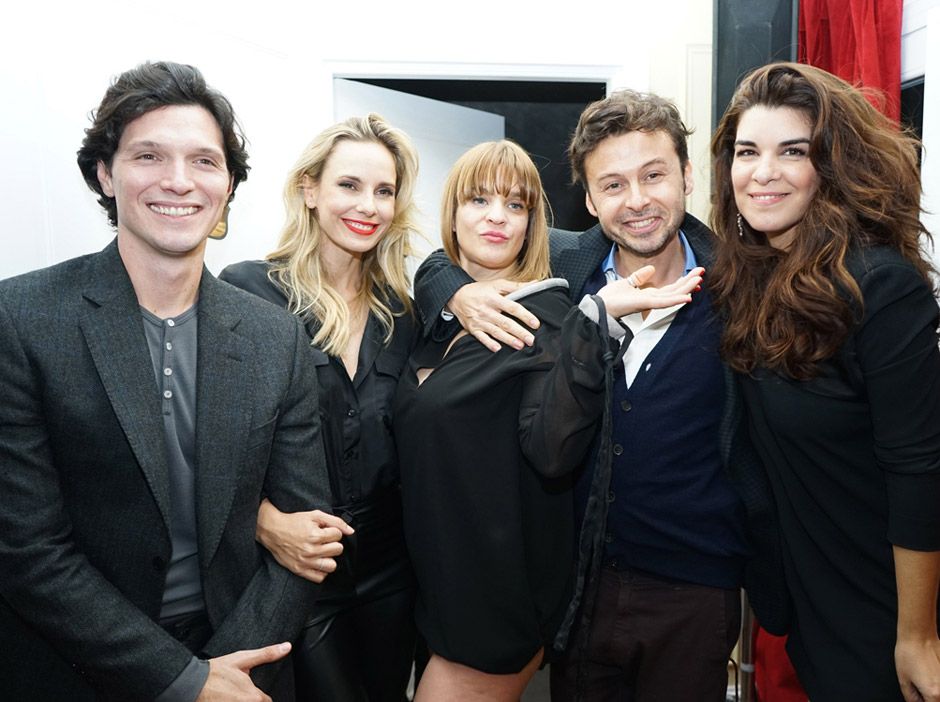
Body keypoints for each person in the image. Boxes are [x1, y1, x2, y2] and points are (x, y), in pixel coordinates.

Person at [413, 91, 788, 702]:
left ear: (687, 176)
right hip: (576, 588)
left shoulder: (746, 283)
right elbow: (443, 256)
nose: (636, 200)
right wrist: (454, 292)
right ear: (588, 200)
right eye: (612, 185)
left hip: (696, 590)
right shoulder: (563, 263)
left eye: (653, 175)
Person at [0, 61, 334, 702]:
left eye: (205, 162)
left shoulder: (275, 337)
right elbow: (28, 552)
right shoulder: (23, 320)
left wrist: (230, 671)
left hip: (244, 662)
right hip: (76, 667)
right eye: (149, 155)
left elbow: (303, 535)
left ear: (229, 184)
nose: (178, 181)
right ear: (106, 173)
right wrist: (182, 681)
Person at [398, 139, 704, 701]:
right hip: (424, 588)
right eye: (478, 200)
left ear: (533, 224)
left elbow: (552, 450)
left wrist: (592, 325)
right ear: (452, 213)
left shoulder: (549, 317)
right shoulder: (425, 314)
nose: (496, 216)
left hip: (493, 601)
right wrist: (454, 292)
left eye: (516, 205)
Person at [709, 61, 940, 702]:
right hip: (810, 604)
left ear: (833, 166)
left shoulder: (881, 287)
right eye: (748, 151)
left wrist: (916, 635)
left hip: (887, 601)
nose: (763, 172)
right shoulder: (743, 278)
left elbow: (919, 469)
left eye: (793, 151)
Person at [219, 113, 421, 701]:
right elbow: (204, 436)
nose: (369, 205)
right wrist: (265, 522)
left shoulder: (403, 311)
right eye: (349, 185)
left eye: (384, 191)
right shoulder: (249, 291)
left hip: (394, 567)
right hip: (299, 567)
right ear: (310, 190)